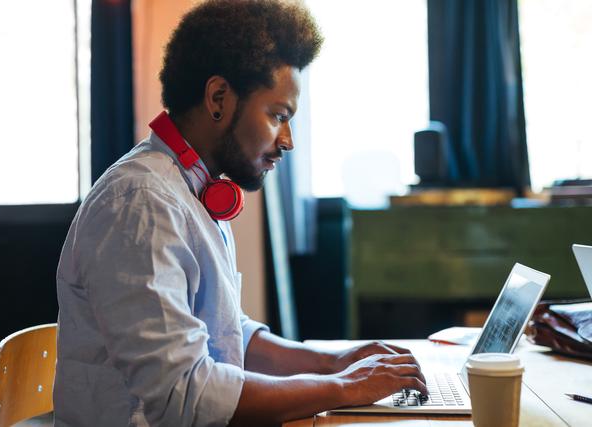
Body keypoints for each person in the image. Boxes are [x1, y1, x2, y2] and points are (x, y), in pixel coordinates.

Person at [54, 1, 427, 426]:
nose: (287, 140)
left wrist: (336, 361)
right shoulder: (142, 204)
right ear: (218, 98)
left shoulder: (193, 190)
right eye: (278, 116)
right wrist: (347, 387)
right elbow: (185, 395)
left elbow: (228, 336)